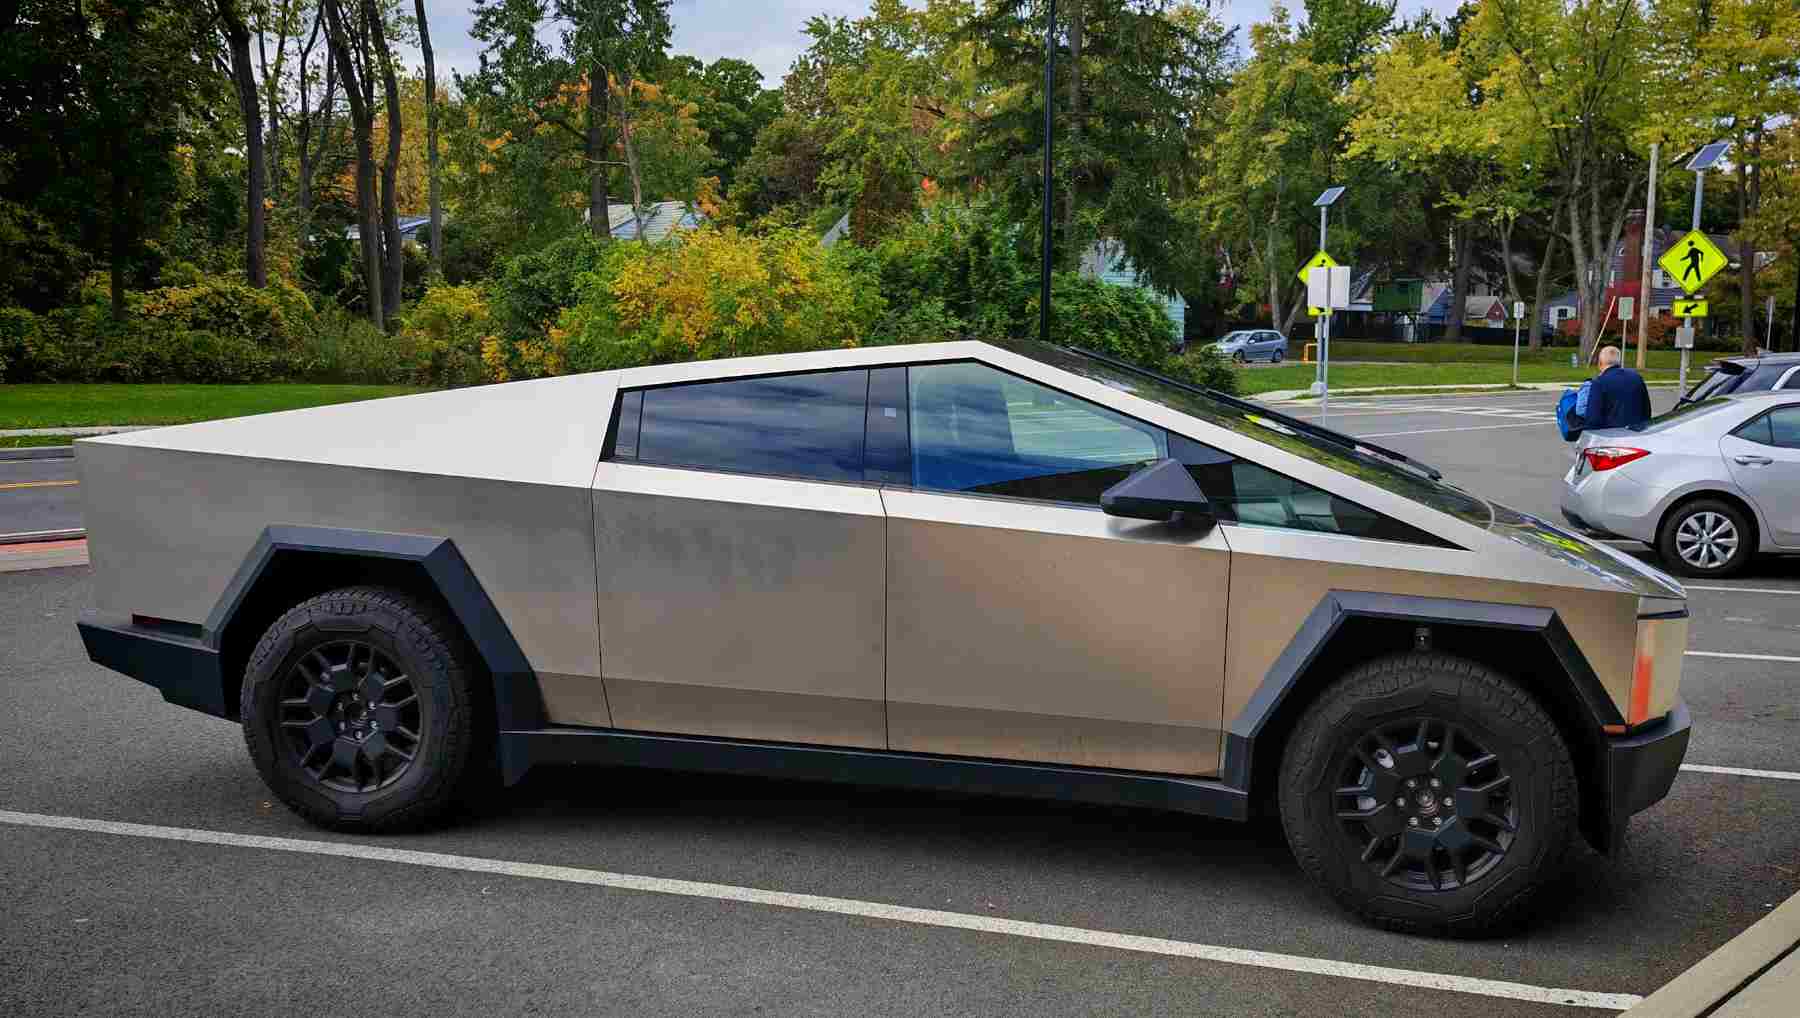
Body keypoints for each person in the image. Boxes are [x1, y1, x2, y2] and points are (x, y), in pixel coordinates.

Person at [1574, 345, 1653, 430]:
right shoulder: (1636, 377)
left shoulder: (1599, 383)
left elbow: (1593, 419)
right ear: (1619, 362)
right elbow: (1647, 411)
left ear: (1600, 363)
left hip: (1611, 437)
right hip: (1636, 434)